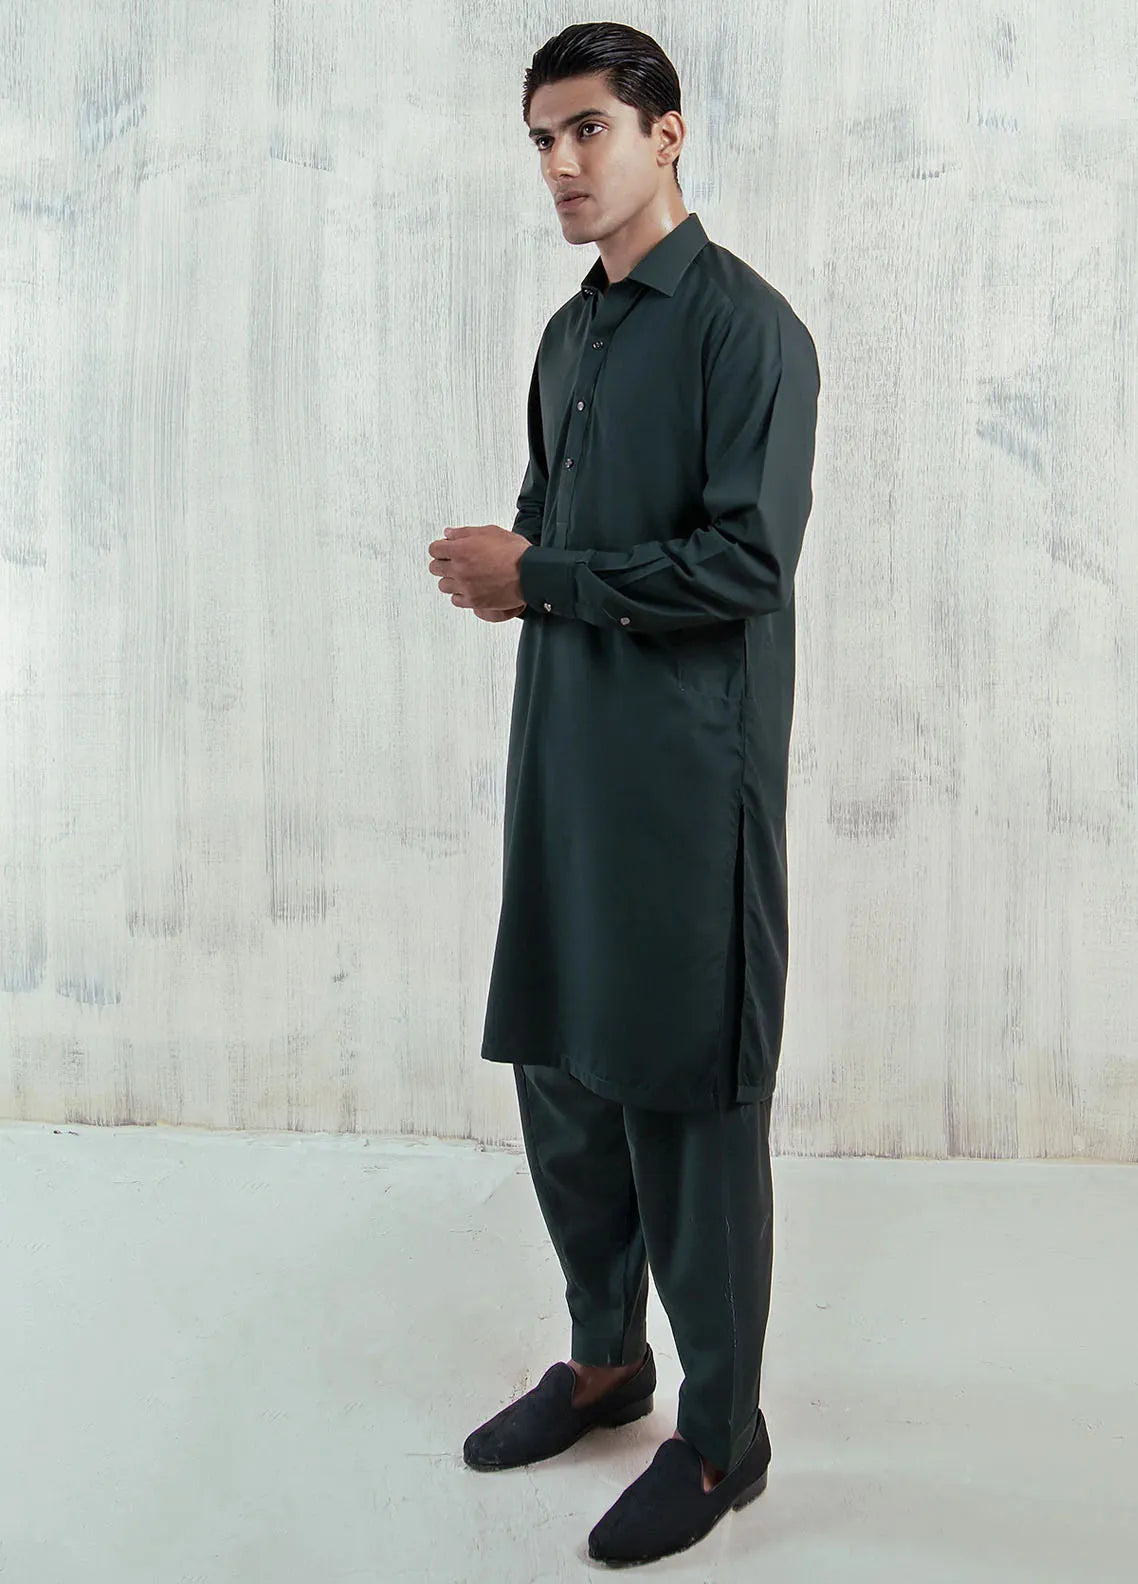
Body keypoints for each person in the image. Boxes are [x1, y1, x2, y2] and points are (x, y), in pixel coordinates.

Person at [427, 20, 820, 1567]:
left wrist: (540, 578)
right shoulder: (567, 336)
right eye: (541, 138)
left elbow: (744, 563)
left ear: (667, 132)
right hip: (565, 769)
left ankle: (722, 1437)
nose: (560, 163)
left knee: (686, 1107)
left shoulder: (744, 330)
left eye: (586, 128)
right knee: (565, 1078)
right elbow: (559, 544)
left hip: (685, 790)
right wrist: (519, 577)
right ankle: (605, 1364)